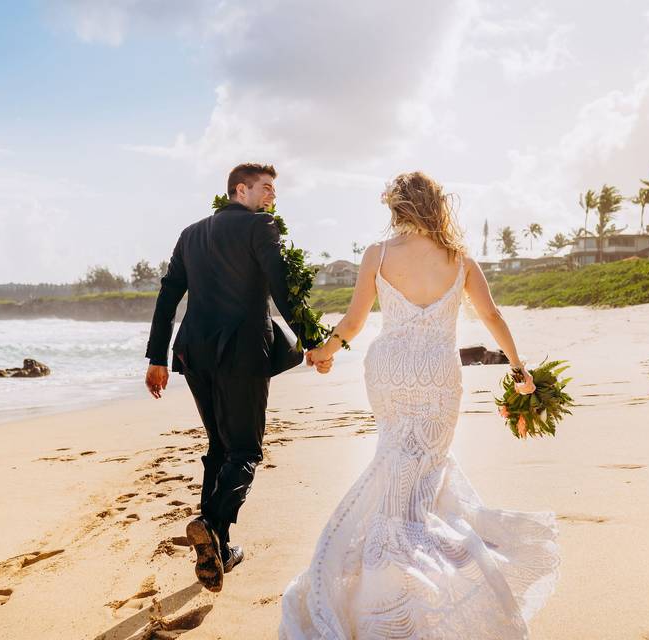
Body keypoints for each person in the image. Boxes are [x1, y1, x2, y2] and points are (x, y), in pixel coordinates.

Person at [278, 171, 560, 639]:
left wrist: (324, 352)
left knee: (392, 461)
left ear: (397, 208)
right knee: (427, 469)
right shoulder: (460, 260)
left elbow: (353, 321)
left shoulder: (379, 254)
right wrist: (518, 368)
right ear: (437, 207)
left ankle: (388, 570)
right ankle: (409, 573)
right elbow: (491, 315)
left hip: (389, 370)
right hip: (436, 373)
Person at [144, 163, 332, 593]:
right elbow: (282, 287)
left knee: (219, 445)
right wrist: (314, 343)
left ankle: (219, 549)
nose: (272, 197)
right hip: (242, 351)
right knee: (245, 448)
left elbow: (168, 295)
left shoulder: (190, 233)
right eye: (266, 188)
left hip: (193, 352)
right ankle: (210, 523)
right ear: (240, 190)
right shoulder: (260, 226)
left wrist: (156, 355)